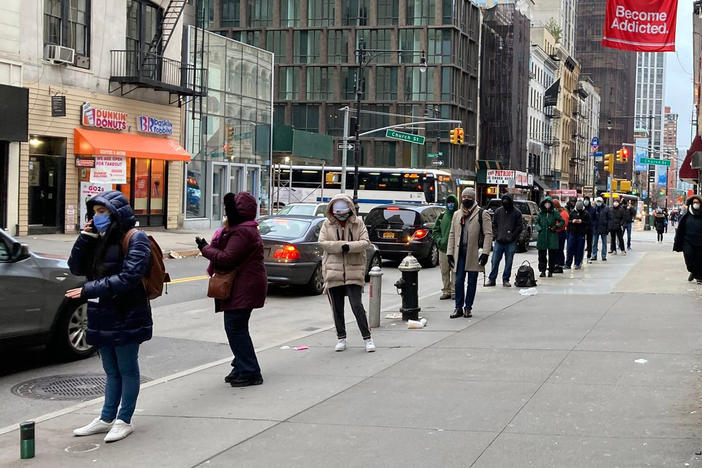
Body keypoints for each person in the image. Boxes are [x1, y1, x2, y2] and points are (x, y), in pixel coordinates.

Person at [67, 191, 152, 443]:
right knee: (110, 370)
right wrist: (85, 237)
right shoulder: (98, 238)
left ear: (115, 213)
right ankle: (106, 418)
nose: (97, 217)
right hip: (101, 312)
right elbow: (75, 267)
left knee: (126, 368)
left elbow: (128, 278)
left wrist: (88, 289)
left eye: (102, 212)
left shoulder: (136, 239)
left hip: (127, 312)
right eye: (94, 212)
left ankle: (124, 420)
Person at [197, 192, 267, 387]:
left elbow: (227, 258)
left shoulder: (243, 232)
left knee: (235, 328)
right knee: (237, 327)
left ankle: (250, 370)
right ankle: (241, 366)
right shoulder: (245, 229)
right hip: (245, 285)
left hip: (244, 286)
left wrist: (205, 249)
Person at [317, 194, 375, 352]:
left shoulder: (358, 223)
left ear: (349, 210)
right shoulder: (326, 224)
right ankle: (341, 338)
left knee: (357, 305)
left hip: (354, 270)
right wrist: (340, 246)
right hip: (333, 271)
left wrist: (348, 247)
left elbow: (365, 242)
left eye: (343, 213)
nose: (341, 216)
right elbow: (322, 242)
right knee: (337, 307)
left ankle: (367, 338)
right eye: (338, 213)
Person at [446, 188, 493, 318]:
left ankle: (468, 307)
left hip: (473, 253)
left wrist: (485, 253)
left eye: (469, 197)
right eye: (464, 197)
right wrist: (450, 252)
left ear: (473, 198)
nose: (466, 199)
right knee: (458, 281)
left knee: (472, 282)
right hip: (459, 253)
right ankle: (458, 307)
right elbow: (452, 234)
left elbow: (488, 234)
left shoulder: (482, 213)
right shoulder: (457, 214)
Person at [486, 194, 523, 287]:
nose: (505, 202)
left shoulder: (517, 213)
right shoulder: (498, 211)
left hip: (510, 242)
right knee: (494, 261)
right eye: (504, 200)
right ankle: (492, 279)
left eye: (507, 200)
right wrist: (497, 234)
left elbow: (519, 227)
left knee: (509, 261)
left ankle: (506, 279)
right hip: (499, 241)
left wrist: (512, 236)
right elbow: (494, 224)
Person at [432, 194, 459, 299]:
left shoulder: (459, 215)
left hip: (455, 249)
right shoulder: (442, 216)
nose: (451, 204)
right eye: (449, 202)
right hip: (443, 248)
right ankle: (446, 290)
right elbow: (435, 230)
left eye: (452, 202)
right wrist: (439, 240)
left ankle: (454, 291)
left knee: (455, 271)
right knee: (444, 270)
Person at [674, 195, 702, 284]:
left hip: (700, 242)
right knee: (688, 258)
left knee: (699, 260)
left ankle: (698, 276)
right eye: (694, 202)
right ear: (691, 204)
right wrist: (677, 242)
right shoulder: (686, 216)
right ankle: (693, 271)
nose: (696, 204)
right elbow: (680, 230)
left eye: (697, 202)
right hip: (688, 241)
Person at [535, 196, 565, 277]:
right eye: (546, 203)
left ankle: (551, 270)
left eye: (549, 203)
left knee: (552, 255)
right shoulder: (541, 213)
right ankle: (542, 270)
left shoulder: (554, 213)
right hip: (542, 236)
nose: (547, 205)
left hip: (552, 235)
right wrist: (539, 229)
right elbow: (536, 222)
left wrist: (556, 226)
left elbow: (562, 221)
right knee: (541, 255)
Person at [564, 200, 591, 270]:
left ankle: (578, 263)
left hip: (581, 234)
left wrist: (582, 222)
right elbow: (568, 222)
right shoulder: (572, 212)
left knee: (579, 249)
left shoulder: (586, 213)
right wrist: (572, 221)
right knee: (570, 249)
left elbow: (588, 224)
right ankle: (568, 263)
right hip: (572, 233)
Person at [590, 197, 611, 262]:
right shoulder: (594, 209)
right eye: (597, 201)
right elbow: (592, 218)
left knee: (604, 243)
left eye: (599, 201)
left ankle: (604, 256)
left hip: (603, 228)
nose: (598, 203)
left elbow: (609, 219)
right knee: (594, 243)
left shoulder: (606, 209)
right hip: (595, 228)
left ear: (602, 202)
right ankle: (594, 255)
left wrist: (608, 228)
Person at [552, 199, 569, 273]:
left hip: (560, 232)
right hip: (555, 232)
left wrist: (556, 226)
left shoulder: (563, 213)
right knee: (555, 249)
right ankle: (555, 263)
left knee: (559, 249)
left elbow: (564, 223)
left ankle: (560, 264)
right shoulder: (555, 212)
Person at [583, 196, 596, 263]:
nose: (586, 201)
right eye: (585, 200)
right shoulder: (582, 209)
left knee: (589, 243)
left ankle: (589, 256)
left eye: (587, 200)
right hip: (582, 228)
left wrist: (592, 224)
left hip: (590, 228)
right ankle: (580, 257)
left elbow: (595, 219)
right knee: (581, 243)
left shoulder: (592, 209)